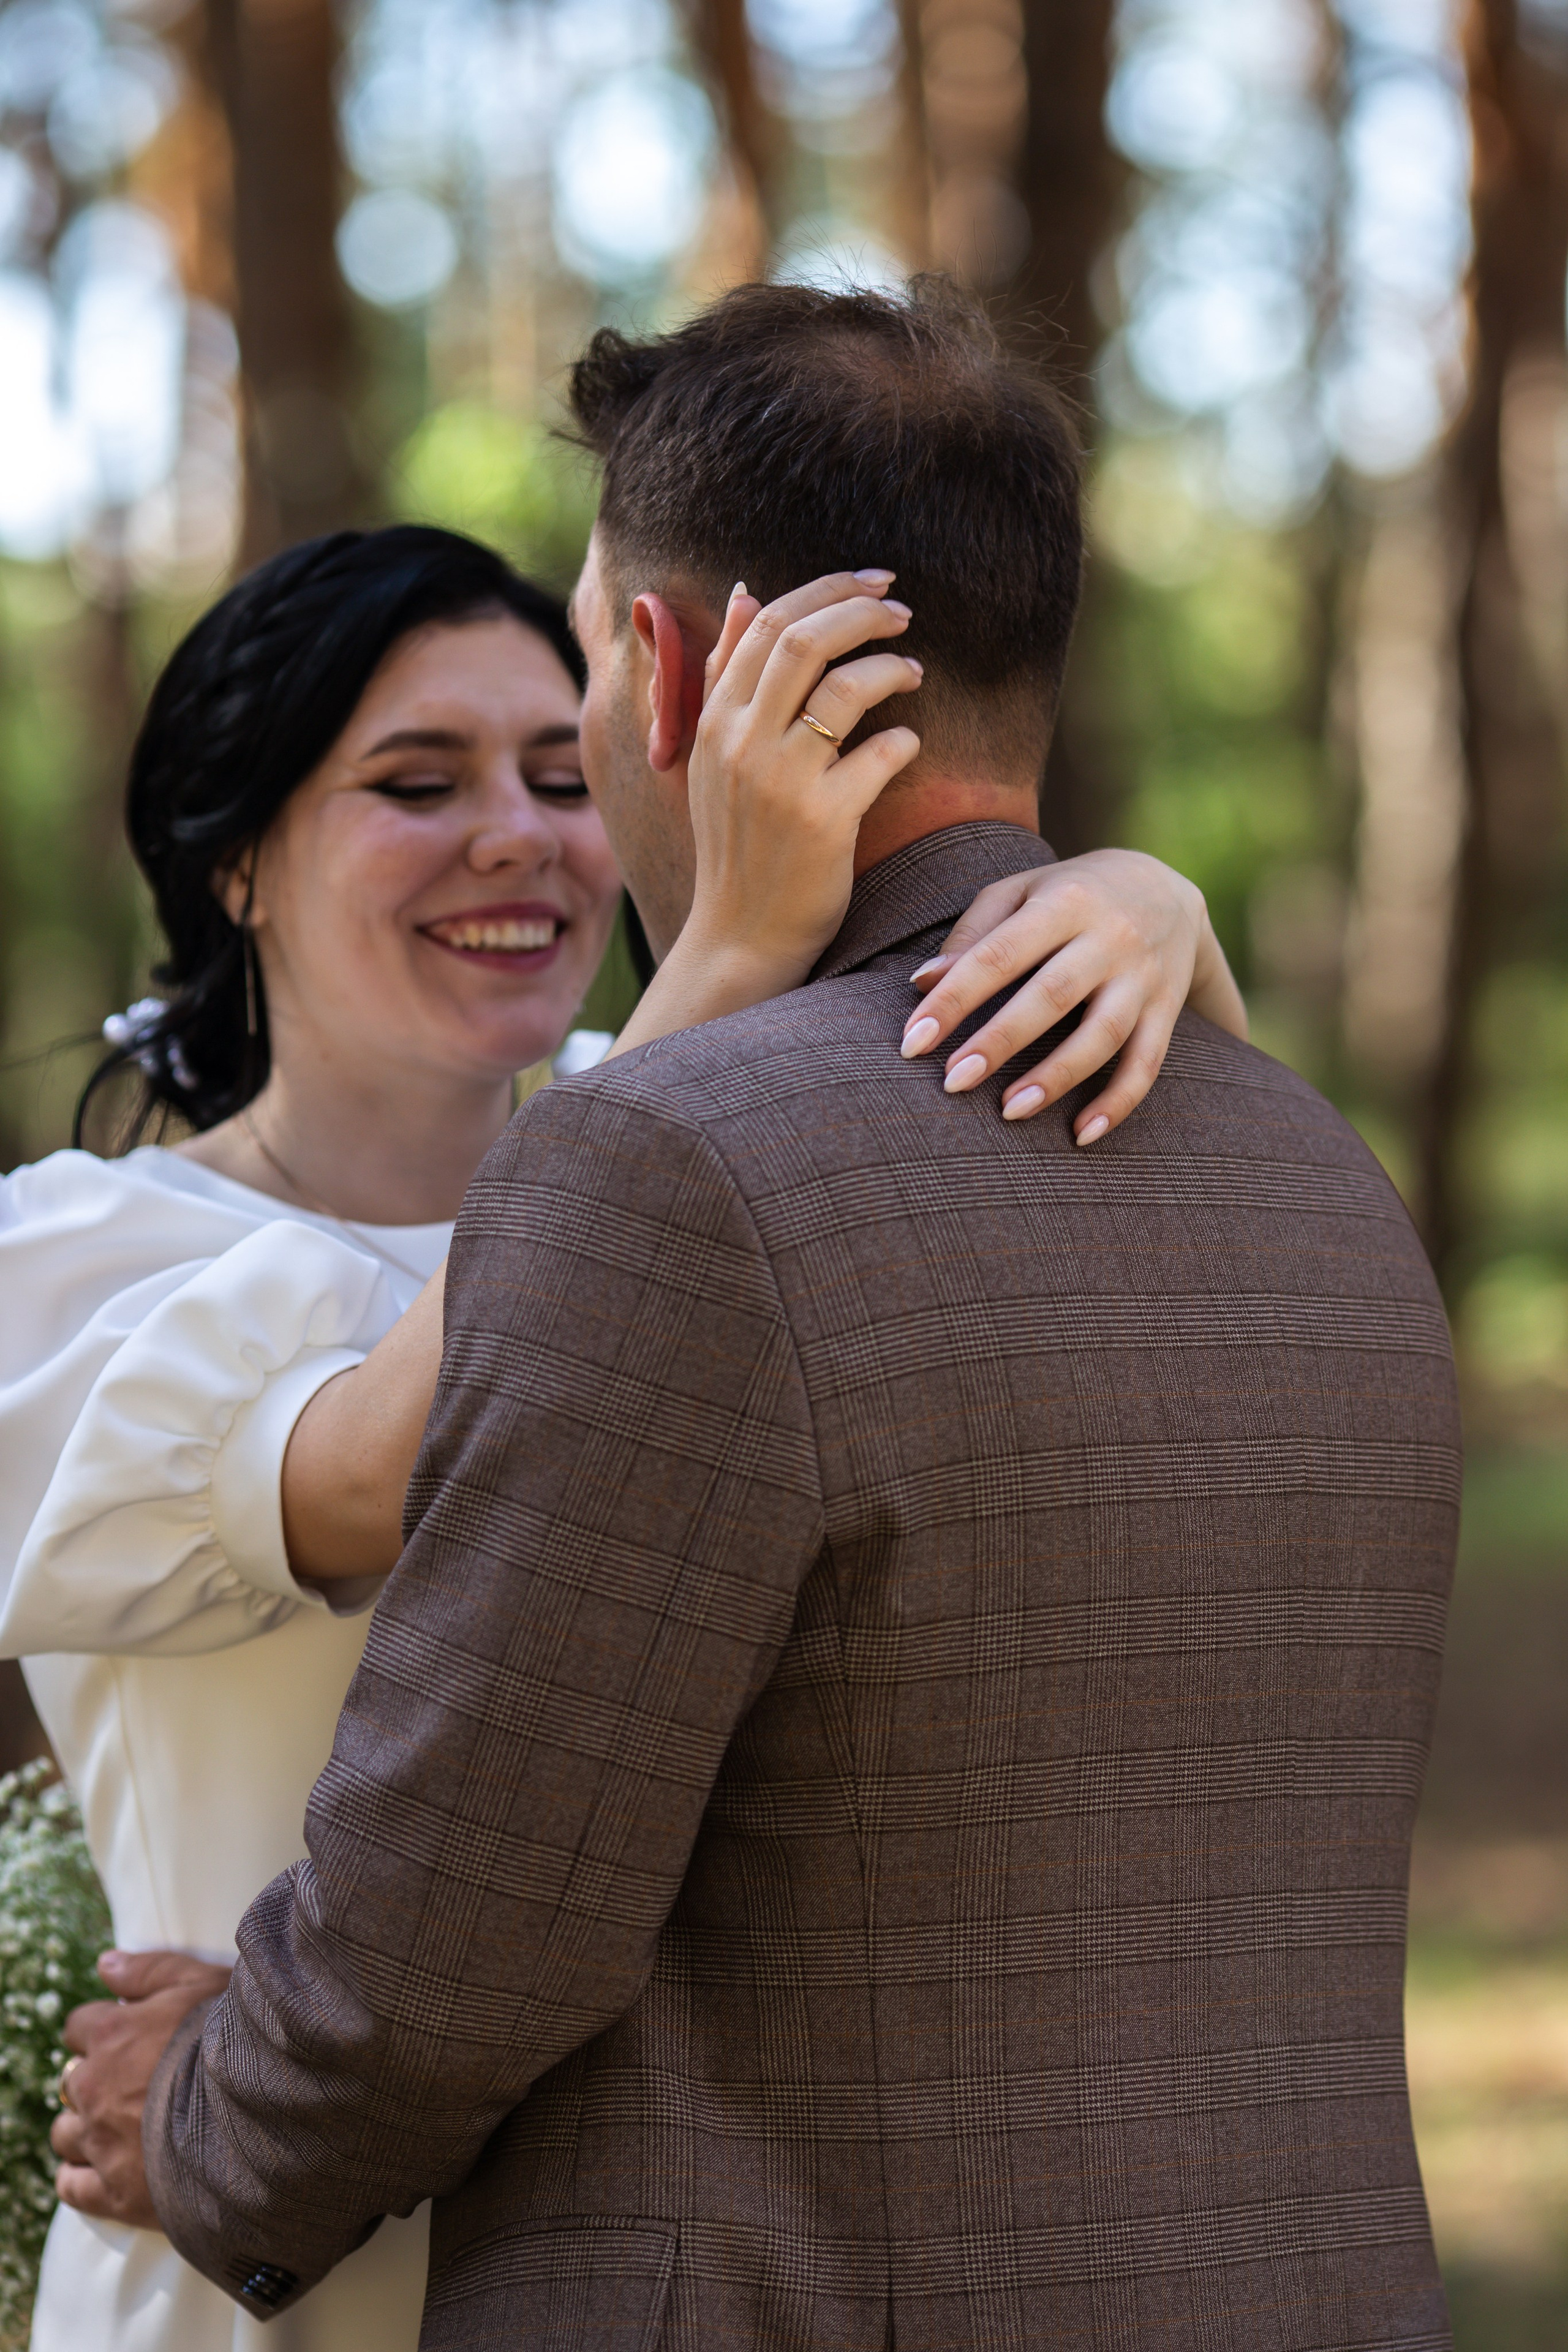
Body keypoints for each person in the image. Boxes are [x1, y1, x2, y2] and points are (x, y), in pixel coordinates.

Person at [1, 518, 1243, 2352]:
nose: (519, 834)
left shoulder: (703, 1119)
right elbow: (390, 1473)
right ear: (239, 859)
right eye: (415, 781)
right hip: (271, 2264)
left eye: (567, 775)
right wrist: (730, 947)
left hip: (702, 2259)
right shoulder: (80, 1260)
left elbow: (1103, 1327)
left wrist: (1145, 906)